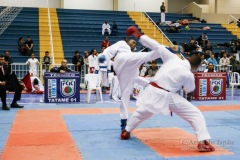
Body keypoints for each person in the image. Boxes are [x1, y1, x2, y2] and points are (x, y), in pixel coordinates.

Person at [120, 34, 215, 152]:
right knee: (195, 114)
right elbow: (189, 90)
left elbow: (157, 46)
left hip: (152, 90)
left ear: (188, 59)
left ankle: (126, 131)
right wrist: (190, 78)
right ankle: (203, 142)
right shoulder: (188, 74)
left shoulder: (173, 58)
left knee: (143, 112)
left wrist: (139, 36)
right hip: (166, 95)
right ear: (195, 68)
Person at [99, 26, 177, 130]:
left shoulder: (132, 54)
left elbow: (136, 77)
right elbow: (110, 50)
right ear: (128, 41)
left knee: (125, 93)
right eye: (132, 42)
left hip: (126, 71)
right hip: (121, 60)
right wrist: (104, 56)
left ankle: (124, 122)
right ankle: (166, 50)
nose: (133, 43)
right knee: (145, 56)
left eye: (135, 43)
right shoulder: (122, 44)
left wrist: (151, 85)